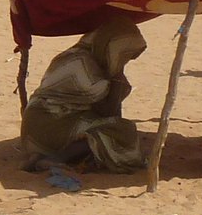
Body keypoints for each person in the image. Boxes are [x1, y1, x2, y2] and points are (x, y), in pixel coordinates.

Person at [19, 18, 147, 173]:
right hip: (46, 124)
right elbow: (107, 111)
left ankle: (55, 156)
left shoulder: (83, 58)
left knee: (115, 131)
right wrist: (117, 77)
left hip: (51, 121)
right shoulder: (82, 66)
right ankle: (53, 159)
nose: (123, 61)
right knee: (120, 133)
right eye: (122, 55)